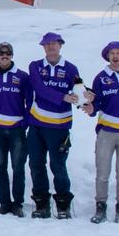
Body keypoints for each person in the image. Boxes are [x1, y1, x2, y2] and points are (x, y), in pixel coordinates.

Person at [82, 42, 119, 224]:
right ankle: (100, 207)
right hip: (106, 132)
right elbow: (96, 103)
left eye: (118, 53)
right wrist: (91, 107)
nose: (115, 56)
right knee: (103, 172)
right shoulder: (101, 78)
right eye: (112, 53)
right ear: (107, 56)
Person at [27, 32, 85, 219]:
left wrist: (87, 98)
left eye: (53, 44)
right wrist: (62, 96)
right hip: (37, 125)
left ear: (60, 45)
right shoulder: (35, 66)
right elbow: (39, 88)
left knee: (58, 166)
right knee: (36, 164)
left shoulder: (71, 69)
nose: (50, 47)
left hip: (59, 126)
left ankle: (63, 205)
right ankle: (41, 204)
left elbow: (79, 91)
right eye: (47, 44)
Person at [0, 42, 32, 216]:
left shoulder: (22, 76)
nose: (4, 55)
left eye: (7, 53)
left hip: (17, 129)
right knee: (0, 168)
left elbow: (30, 102)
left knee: (18, 168)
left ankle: (17, 204)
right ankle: (4, 203)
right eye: (1, 53)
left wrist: (25, 122)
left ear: (12, 55)